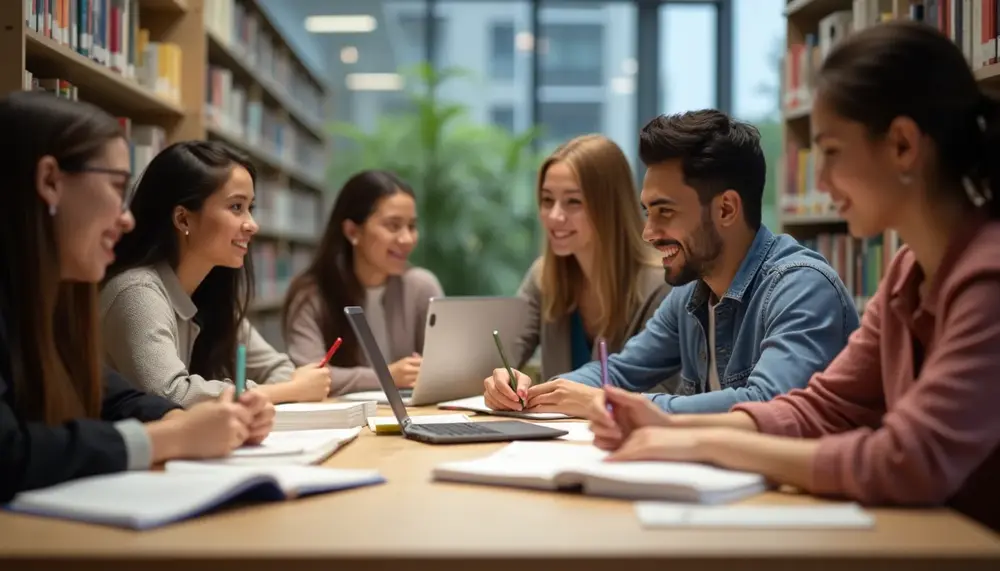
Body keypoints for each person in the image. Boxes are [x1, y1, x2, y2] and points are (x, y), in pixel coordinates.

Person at [588, 21, 1000, 532]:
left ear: (902, 145)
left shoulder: (988, 280)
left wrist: (699, 439)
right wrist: (671, 423)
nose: (821, 181)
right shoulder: (905, 274)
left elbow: (908, 460)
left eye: (829, 152)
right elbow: (822, 407)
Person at [486, 110, 859, 418]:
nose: (648, 233)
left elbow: (767, 405)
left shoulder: (801, 287)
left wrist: (613, 404)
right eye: (648, 212)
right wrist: (533, 393)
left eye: (665, 211)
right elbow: (617, 370)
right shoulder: (691, 296)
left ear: (726, 209)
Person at [0, 92, 274, 501]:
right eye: (115, 186)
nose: (126, 218)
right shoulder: (131, 290)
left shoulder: (49, 304)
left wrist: (204, 421)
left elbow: (115, 397)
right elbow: (9, 454)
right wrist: (167, 437)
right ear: (50, 182)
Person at [100, 141, 331, 407]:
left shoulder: (208, 292)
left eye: (250, 208)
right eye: (236, 207)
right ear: (183, 219)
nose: (253, 226)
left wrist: (286, 387)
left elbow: (278, 369)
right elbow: (170, 395)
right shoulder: (136, 293)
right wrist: (286, 391)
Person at [482, 134, 670, 410]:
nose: (555, 216)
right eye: (547, 200)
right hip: (553, 444)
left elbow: (667, 390)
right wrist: (500, 380)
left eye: (573, 202)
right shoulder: (543, 277)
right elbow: (505, 356)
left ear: (610, 206)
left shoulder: (662, 284)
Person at [283, 170, 443, 395]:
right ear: (352, 231)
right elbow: (306, 377)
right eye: (393, 225)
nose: (407, 239)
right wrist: (387, 375)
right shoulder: (311, 294)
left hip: (414, 416)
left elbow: (443, 370)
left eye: (412, 226)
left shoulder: (422, 286)